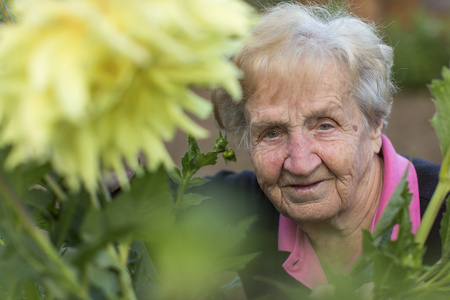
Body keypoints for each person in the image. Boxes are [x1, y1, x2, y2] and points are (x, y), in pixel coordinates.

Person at [198, 2, 445, 299]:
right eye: (272, 133)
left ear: (375, 125)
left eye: (324, 126)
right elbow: (139, 197)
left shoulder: (441, 217)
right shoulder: (246, 211)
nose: (300, 165)